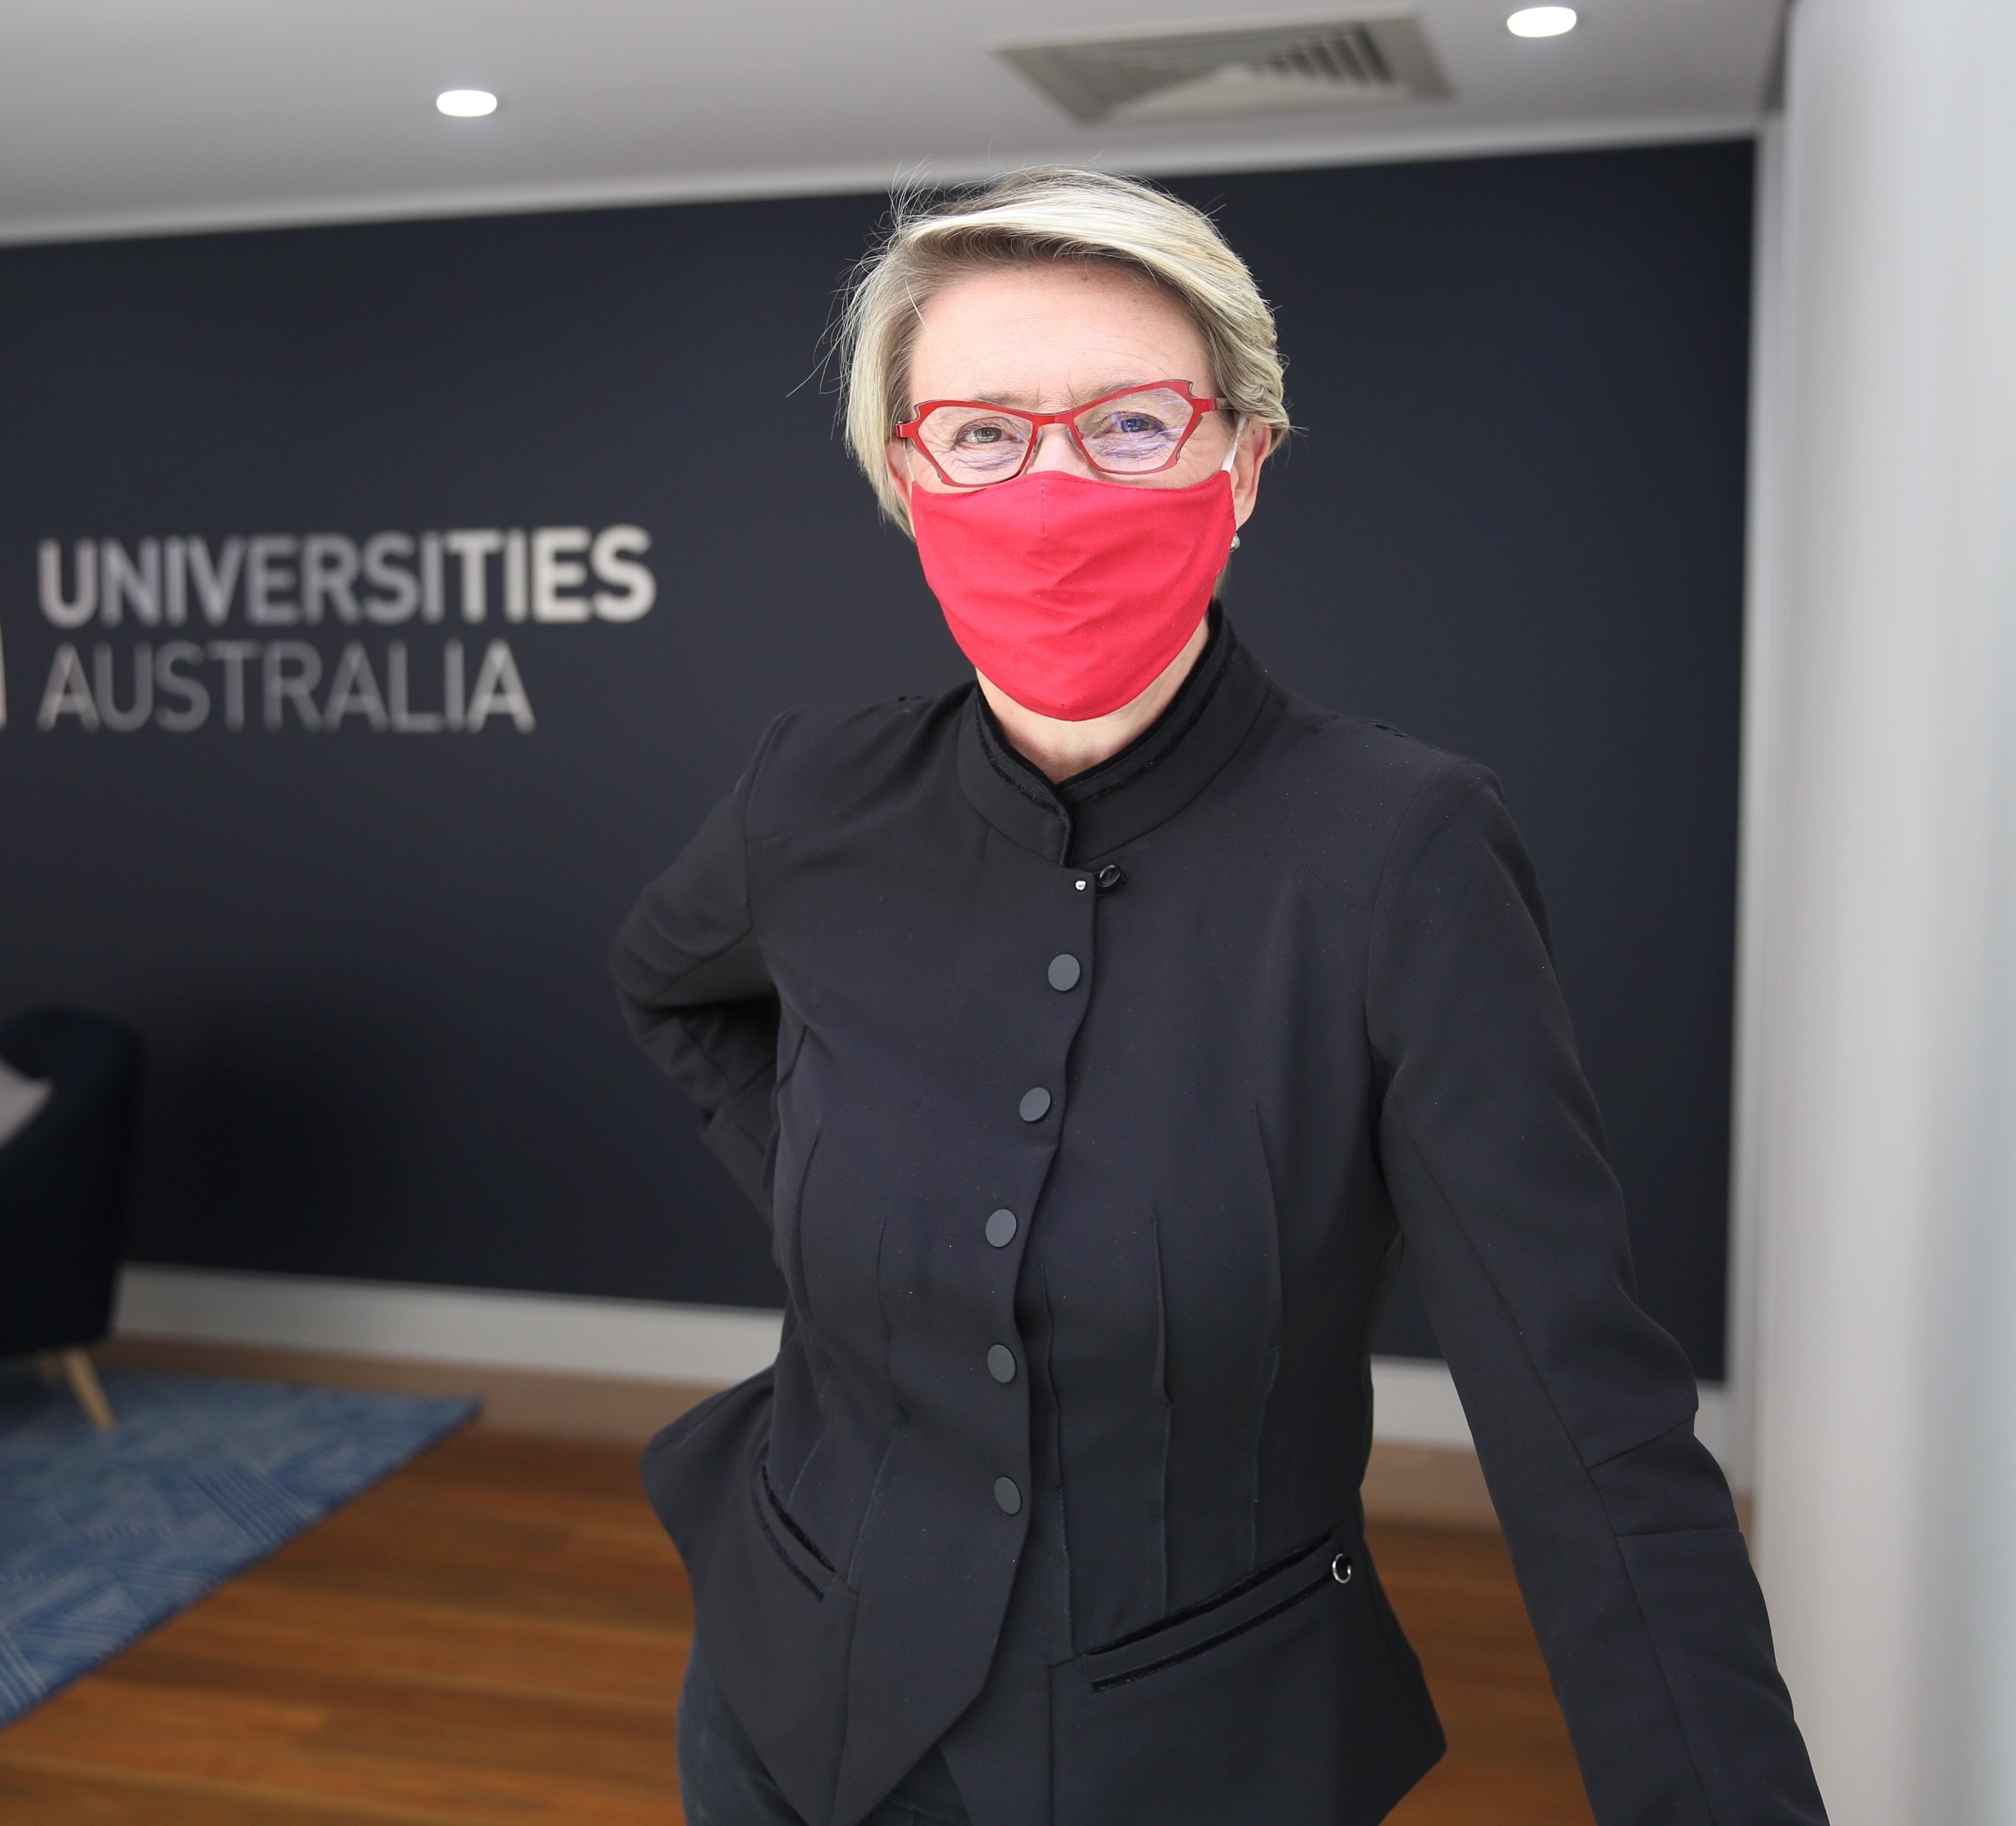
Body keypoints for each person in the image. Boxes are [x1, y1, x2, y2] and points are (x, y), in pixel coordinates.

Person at [611, 167, 1824, 1826]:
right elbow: (670, 989)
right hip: (782, 1694)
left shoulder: (1401, 853)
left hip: (1186, 1754)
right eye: (981, 431)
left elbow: (1583, 1422)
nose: (1051, 481)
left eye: (1129, 424)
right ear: (908, 475)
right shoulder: (809, 799)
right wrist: (859, 1218)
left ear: (1241, 462)